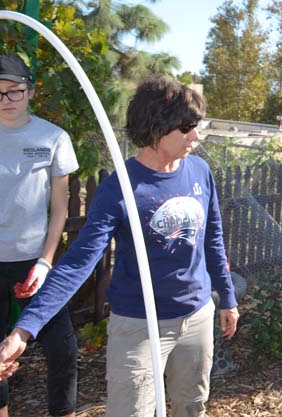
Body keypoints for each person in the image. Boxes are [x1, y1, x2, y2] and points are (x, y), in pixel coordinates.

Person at [0, 74, 239, 417]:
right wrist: (24, 330)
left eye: (196, 125)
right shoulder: (121, 189)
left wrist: (226, 297)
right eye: (187, 127)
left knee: (191, 406)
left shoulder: (199, 171)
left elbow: (212, 237)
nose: (196, 136)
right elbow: (79, 262)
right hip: (139, 325)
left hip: (197, 317)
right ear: (157, 129)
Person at [0, 55, 78, 417]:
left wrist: (46, 262)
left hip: (33, 262)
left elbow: (60, 209)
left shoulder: (53, 137)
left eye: (14, 91)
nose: (6, 100)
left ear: (30, 91)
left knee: (63, 348)